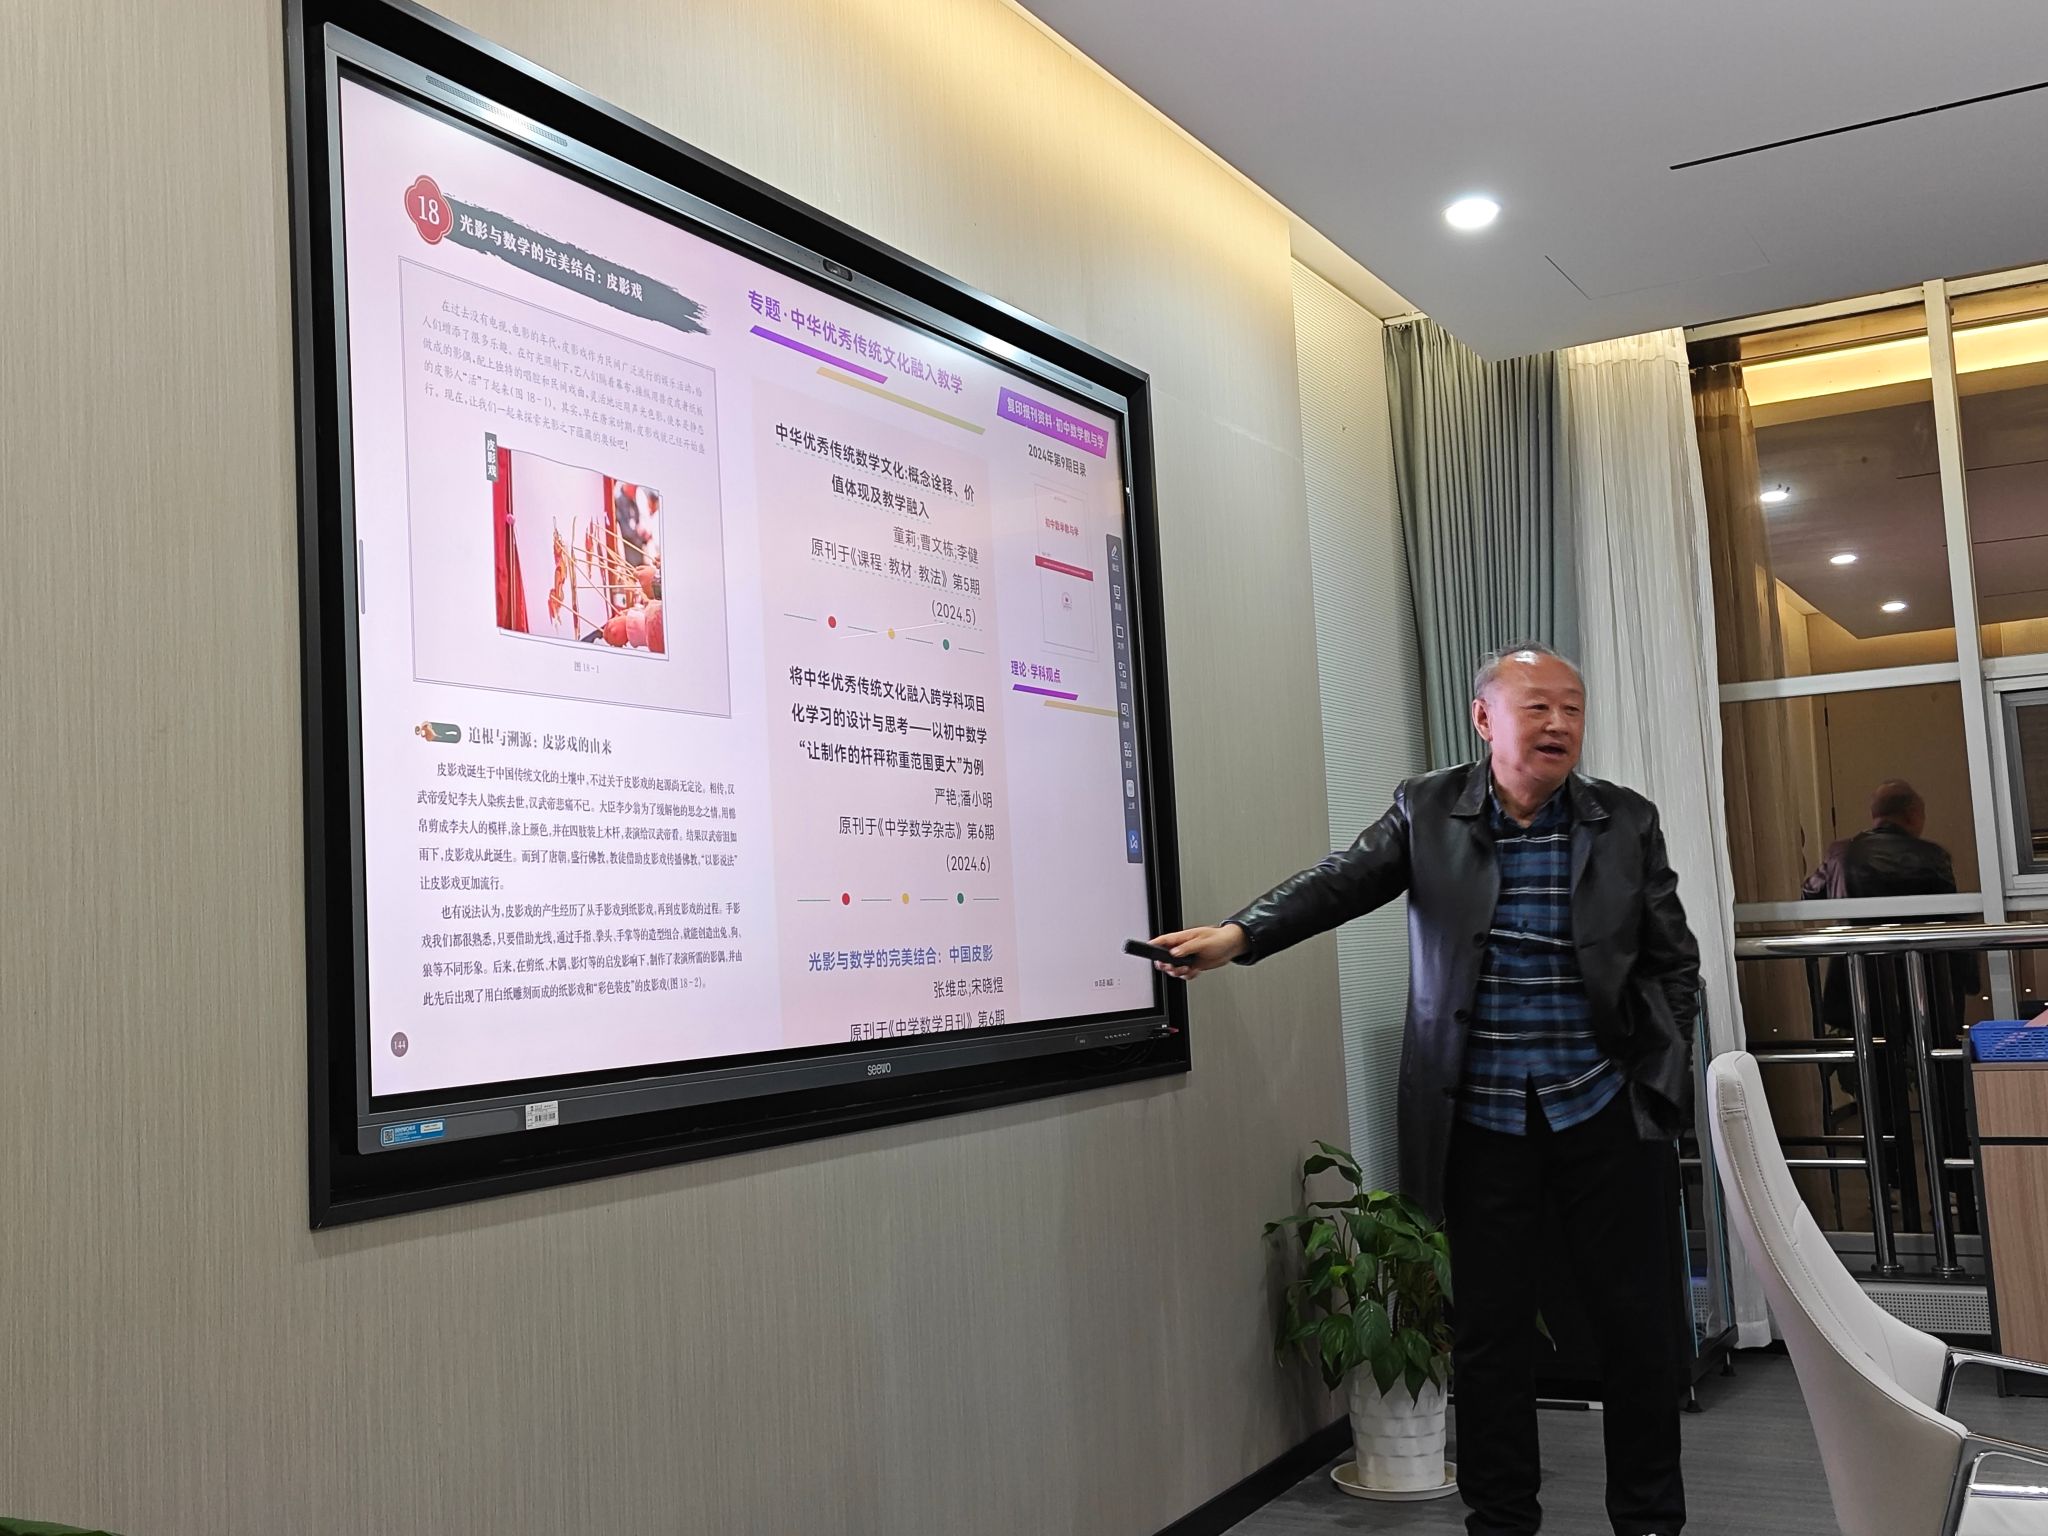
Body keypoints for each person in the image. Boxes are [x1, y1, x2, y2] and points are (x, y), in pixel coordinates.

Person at [1152, 643, 1698, 1536]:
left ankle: (1648, 1522)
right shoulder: (1428, 808)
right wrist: (1240, 934)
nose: (1559, 723)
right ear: (1484, 718)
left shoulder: (1624, 820)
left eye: (1571, 707)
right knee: (1488, 1337)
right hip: (1479, 1121)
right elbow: (1340, 881)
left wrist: (1658, 1089)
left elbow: (1673, 962)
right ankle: (1501, 1522)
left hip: (1603, 1108)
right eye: (1536, 706)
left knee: (1637, 1332)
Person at [1803, 779, 1978, 1234]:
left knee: (1877, 1089)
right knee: (1942, 1086)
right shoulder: (1933, 856)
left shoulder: (1841, 853)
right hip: (1928, 989)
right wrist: (1968, 982)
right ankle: (1953, 1189)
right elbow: (1950, 919)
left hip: (1864, 991)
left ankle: (1892, 1188)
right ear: (1914, 816)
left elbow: (1809, 897)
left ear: (1874, 813)